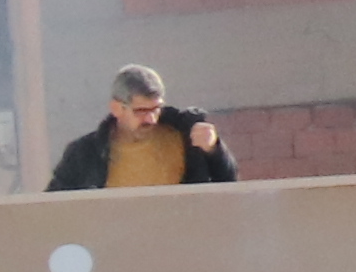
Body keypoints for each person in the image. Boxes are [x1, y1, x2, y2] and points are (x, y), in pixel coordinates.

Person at [44, 61, 237, 189]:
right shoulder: (85, 154)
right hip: (114, 245)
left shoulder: (188, 138)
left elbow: (228, 182)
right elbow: (55, 207)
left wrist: (213, 150)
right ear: (117, 108)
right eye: (141, 111)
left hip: (179, 241)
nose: (151, 119)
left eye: (156, 109)